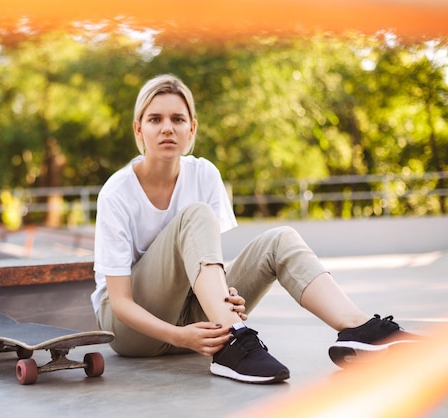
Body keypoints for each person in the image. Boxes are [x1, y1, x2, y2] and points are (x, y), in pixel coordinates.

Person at [90, 74, 421, 383]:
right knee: (196, 215)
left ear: (192, 130)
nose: (167, 128)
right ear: (138, 130)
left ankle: (360, 331)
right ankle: (233, 343)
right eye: (155, 119)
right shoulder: (118, 192)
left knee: (281, 240)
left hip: (198, 324)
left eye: (177, 119)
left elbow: (200, 269)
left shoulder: (204, 174)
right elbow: (120, 303)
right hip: (134, 332)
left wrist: (225, 294)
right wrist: (181, 336)